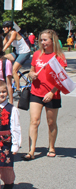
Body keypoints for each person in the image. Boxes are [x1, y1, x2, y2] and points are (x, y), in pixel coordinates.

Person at [24, 29, 67, 160]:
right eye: (40, 40)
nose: (42, 42)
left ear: (52, 40)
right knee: (34, 121)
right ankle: (31, 151)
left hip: (52, 94)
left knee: (51, 122)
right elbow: (31, 71)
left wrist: (52, 92)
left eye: (45, 40)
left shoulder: (59, 57)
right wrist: (31, 75)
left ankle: (52, 147)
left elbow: (61, 78)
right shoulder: (37, 54)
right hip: (36, 92)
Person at [2, 21, 31, 93]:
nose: (3, 29)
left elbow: (8, 43)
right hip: (18, 53)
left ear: (9, 28)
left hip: (25, 52)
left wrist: (3, 50)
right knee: (3, 57)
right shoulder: (7, 35)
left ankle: (18, 89)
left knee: (14, 70)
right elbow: (3, 43)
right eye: (3, 27)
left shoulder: (14, 33)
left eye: (5, 27)